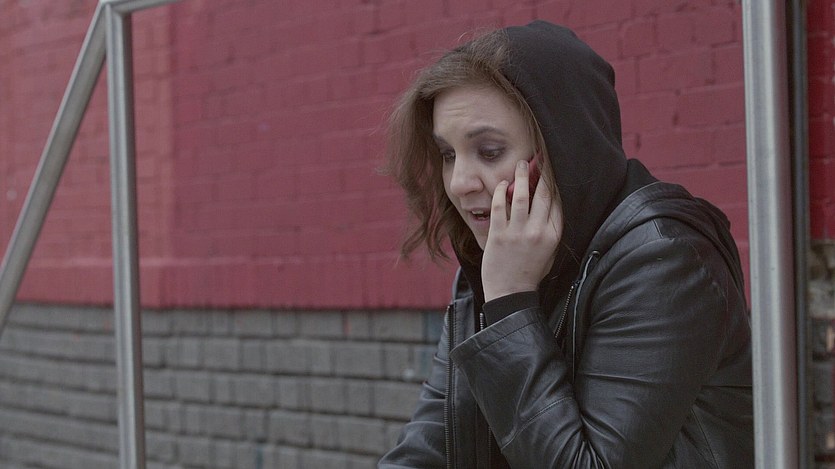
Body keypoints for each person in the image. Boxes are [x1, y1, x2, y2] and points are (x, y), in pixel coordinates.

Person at [377, 20, 753, 469]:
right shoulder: (494, 265)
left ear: (563, 149)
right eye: (448, 155)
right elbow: (427, 449)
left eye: (490, 151)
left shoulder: (663, 260)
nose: (459, 182)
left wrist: (510, 304)